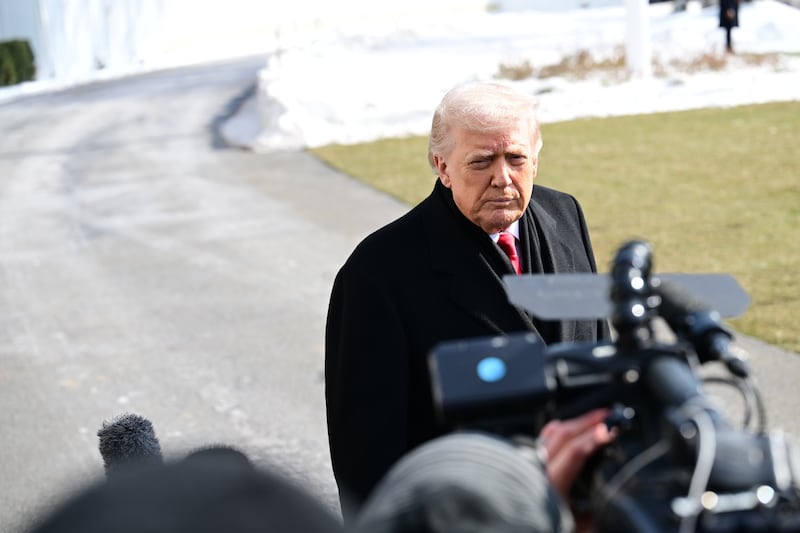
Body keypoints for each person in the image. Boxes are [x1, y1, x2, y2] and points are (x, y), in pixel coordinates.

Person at [325, 81, 610, 522]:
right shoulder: (377, 272)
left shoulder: (565, 215)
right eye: (481, 161)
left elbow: (600, 365)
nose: (503, 178)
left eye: (516, 158)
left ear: (535, 156)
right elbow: (365, 457)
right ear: (442, 166)